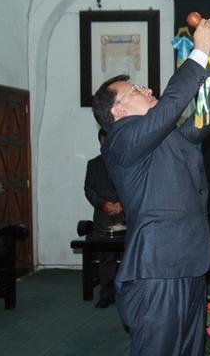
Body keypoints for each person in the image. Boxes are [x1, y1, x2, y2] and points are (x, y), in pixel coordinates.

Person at [91, 18, 210, 356]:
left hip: (188, 264)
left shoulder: (161, 135)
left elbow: (201, 119)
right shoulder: (121, 141)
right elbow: (169, 106)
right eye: (136, 90)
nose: (147, 90)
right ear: (117, 110)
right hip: (157, 271)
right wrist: (197, 51)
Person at [84, 128, 124, 308]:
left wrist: (122, 204)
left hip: (126, 215)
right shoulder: (93, 164)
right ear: (100, 141)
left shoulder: (127, 161)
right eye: (104, 141)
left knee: (129, 256)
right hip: (103, 217)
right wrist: (104, 204)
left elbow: (135, 186)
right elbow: (89, 190)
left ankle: (127, 294)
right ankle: (106, 295)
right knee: (106, 258)